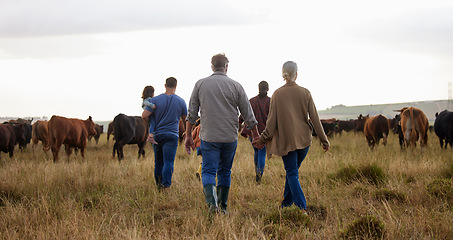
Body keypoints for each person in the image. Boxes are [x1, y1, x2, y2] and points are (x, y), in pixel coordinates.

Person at [185, 53, 259, 214]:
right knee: (225, 171)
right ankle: (223, 208)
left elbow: (191, 113)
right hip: (229, 137)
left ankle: (212, 206)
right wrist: (256, 134)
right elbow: (248, 113)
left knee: (208, 171)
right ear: (226, 67)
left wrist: (188, 135)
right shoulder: (236, 86)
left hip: (209, 136)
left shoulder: (200, 84)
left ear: (212, 66)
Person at [252, 61, 330, 214]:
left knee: (292, 173)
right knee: (292, 172)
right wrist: (324, 140)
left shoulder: (277, 94)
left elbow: (271, 123)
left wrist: (262, 139)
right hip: (304, 141)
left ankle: (302, 209)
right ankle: (286, 204)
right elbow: (315, 118)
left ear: (283, 74)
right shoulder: (305, 92)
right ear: (297, 74)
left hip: (286, 142)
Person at [142, 77, 187, 191]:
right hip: (172, 135)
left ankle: (158, 186)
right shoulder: (181, 101)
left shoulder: (155, 100)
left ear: (165, 85)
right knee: (168, 161)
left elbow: (144, 115)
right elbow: (186, 119)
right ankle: (166, 186)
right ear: (176, 86)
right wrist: (187, 133)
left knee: (158, 162)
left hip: (157, 135)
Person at [240, 81, 271, 184]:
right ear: (268, 89)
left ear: (258, 88)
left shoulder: (251, 101)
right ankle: (259, 177)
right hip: (265, 132)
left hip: (252, 132)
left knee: (256, 152)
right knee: (262, 152)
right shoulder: (271, 102)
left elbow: (243, 114)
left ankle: (257, 173)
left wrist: (239, 123)